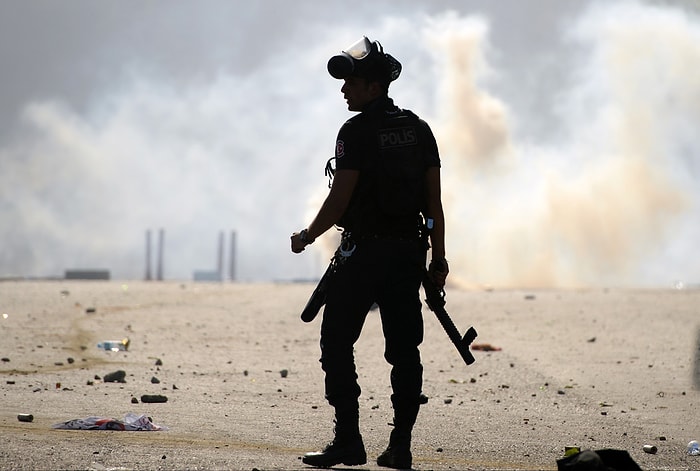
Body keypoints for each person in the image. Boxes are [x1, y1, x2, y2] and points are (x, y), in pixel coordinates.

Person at [290, 36, 448, 469]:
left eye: (353, 83)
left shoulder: (354, 132)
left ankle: (348, 440)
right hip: (406, 258)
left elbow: (339, 202)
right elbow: (433, 207)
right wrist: (438, 259)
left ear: (374, 88)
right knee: (404, 351)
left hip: (362, 258)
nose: (344, 90)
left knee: (336, 340)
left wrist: (306, 235)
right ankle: (400, 446)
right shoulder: (419, 129)